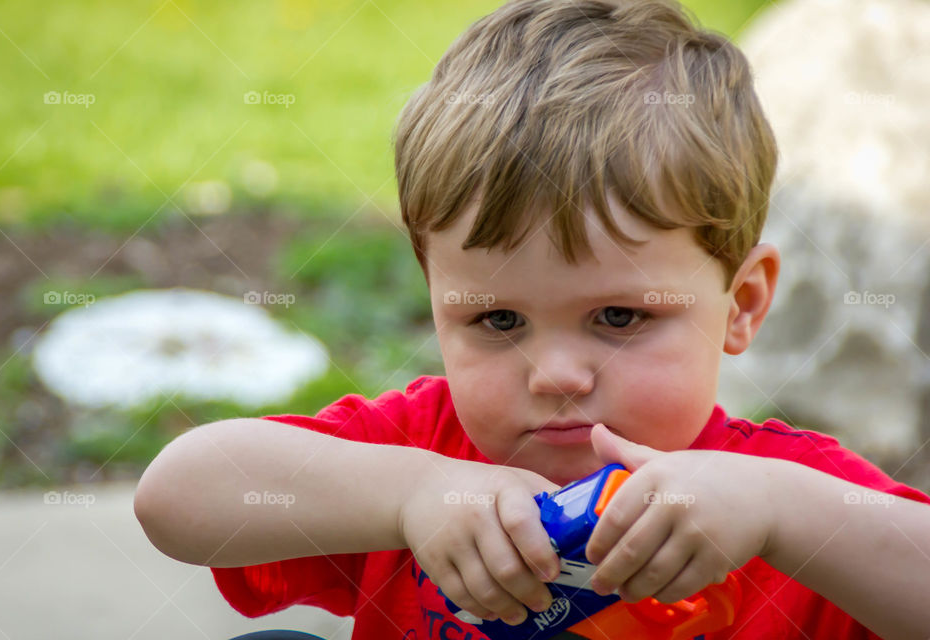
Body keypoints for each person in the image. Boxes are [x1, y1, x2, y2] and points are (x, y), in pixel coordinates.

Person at [133, 1, 930, 638]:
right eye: (497, 320)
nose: (554, 374)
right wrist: (413, 493)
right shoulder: (426, 451)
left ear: (743, 302)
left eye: (619, 315)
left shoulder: (773, 499)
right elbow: (177, 496)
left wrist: (784, 513)